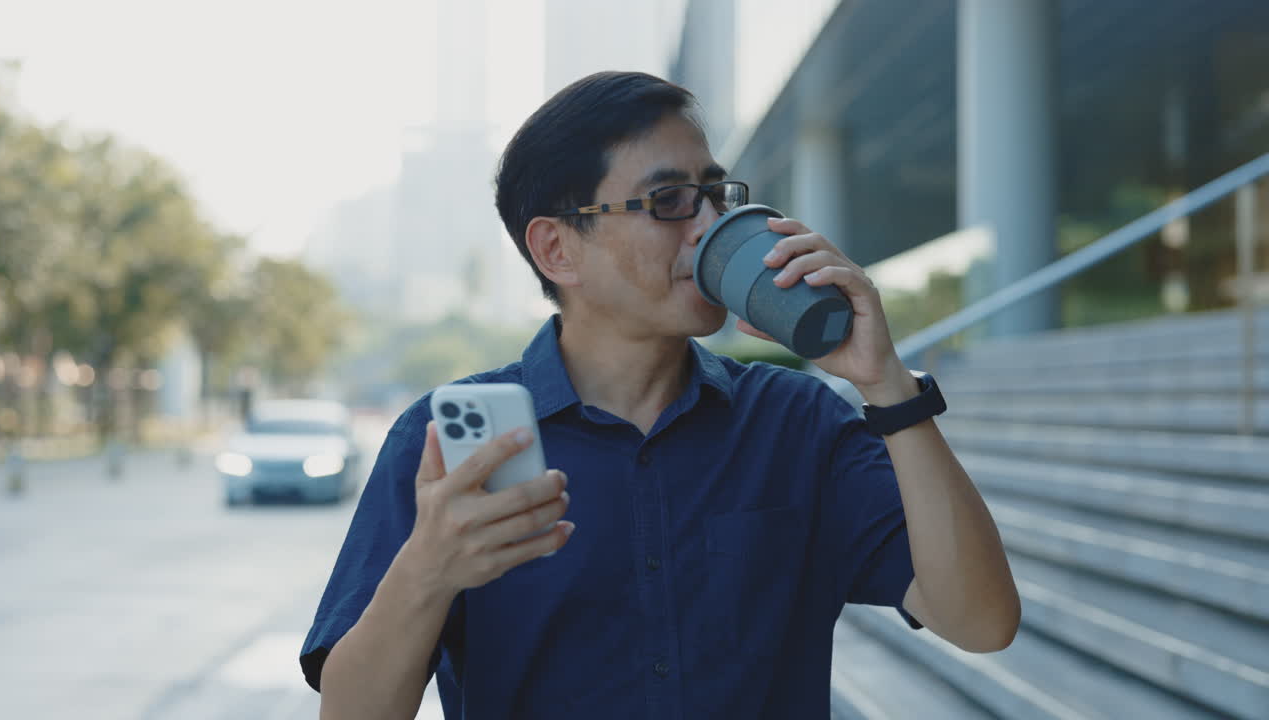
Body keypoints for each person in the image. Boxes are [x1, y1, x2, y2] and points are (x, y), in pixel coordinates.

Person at [301, 71, 1020, 719]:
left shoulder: (795, 421)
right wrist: (428, 571)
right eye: (669, 200)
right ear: (556, 249)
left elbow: (981, 623)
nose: (709, 226)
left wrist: (886, 382)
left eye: (715, 193)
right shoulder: (448, 446)